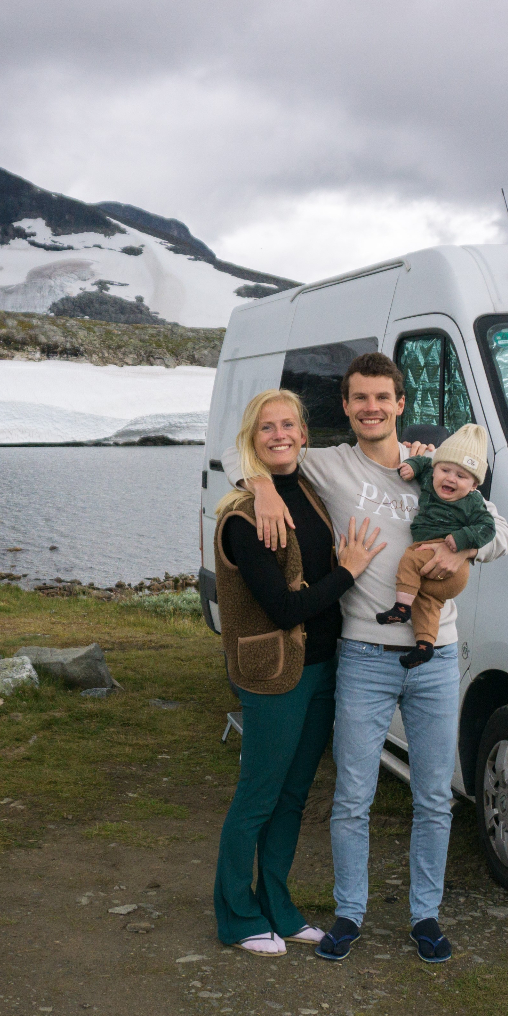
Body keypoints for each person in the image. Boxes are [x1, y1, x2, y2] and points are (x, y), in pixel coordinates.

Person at [224, 352, 508, 965]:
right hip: (363, 653)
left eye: (382, 397)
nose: (371, 407)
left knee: (433, 796)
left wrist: (464, 553)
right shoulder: (330, 466)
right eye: (359, 398)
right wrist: (259, 488)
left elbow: (503, 532)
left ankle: (425, 916)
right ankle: (349, 914)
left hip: (434, 660)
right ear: (348, 407)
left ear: (401, 404)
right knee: (352, 795)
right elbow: (250, 448)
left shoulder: (436, 469)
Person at [212, 388, 386, 957]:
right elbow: (285, 610)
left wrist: (262, 481)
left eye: (289, 425)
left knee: (291, 798)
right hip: (273, 677)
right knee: (257, 797)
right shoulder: (243, 518)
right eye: (267, 428)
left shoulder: (306, 490)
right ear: (252, 438)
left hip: (322, 669)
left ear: (304, 436)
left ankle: (279, 908)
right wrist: (348, 571)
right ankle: (237, 916)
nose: (280, 435)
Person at [375, 423, 496, 668]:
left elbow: (489, 528)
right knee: (427, 603)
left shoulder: (473, 502)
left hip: (450, 561)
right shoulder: (430, 474)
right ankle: (424, 646)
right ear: (435, 467)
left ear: (474, 486)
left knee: (410, 558)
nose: (450, 478)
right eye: (445, 470)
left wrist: (462, 541)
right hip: (437, 581)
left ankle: (400, 608)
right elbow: (422, 463)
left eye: (461, 476)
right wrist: (411, 465)